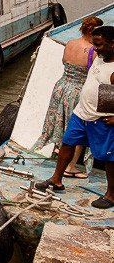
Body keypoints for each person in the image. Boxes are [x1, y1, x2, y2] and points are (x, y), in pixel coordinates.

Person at [36, 25, 114, 208]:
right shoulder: (101, 57)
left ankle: (111, 195)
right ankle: (56, 180)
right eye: (94, 44)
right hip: (81, 113)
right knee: (67, 143)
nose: (95, 49)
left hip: (101, 119)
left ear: (112, 44)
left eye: (99, 45)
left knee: (109, 157)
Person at [34, 16, 103, 176]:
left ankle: (58, 152)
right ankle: (70, 167)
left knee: (61, 122)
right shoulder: (93, 51)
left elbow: (65, 60)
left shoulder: (70, 43)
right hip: (78, 91)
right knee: (78, 129)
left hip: (61, 86)